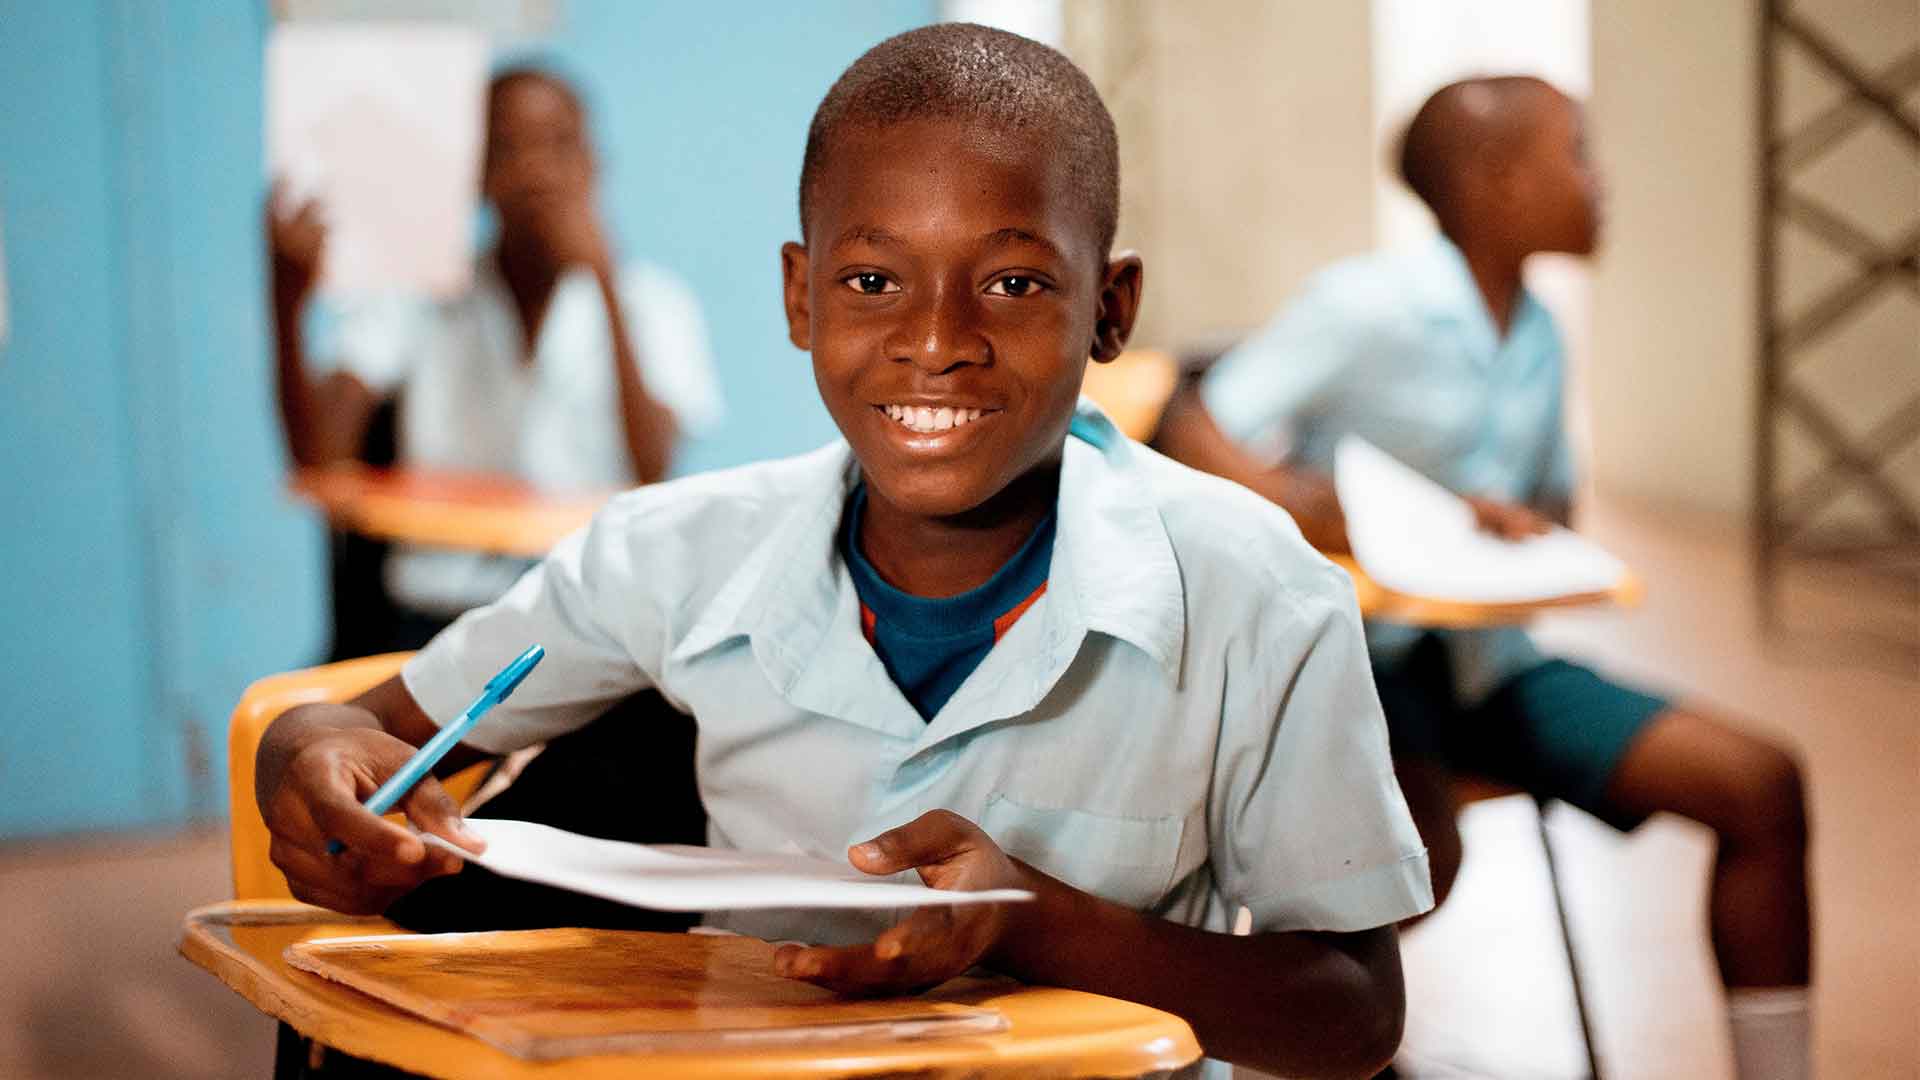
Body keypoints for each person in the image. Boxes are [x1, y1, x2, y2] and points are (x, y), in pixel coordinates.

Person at [254, 25, 1435, 1079]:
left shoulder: (1254, 594)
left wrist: (1033, 920)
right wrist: (315, 777)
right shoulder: (676, 551)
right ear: (800, 297)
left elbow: (1352, 1011)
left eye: (1015, 283)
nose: (935, 341)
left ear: (1111, 310)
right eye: (873, 280)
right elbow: (350, 729)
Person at [1154, 76, 1813, 1080]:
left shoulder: (1541, 334)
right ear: (1500, 186)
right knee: (1418, 860)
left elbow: (1551, 513)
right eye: (1579, 154)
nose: (1601, 181)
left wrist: (1522, 526)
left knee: (1761, 785)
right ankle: (1290, 1036)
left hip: (1490, 668)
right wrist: (1314, 503)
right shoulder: (1366, 306)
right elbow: (1189, 424)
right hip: (1367, 671)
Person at [268, 66, 723, 654]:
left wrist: (604, 281)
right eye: (509, 147)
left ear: (594, 164)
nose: (536, 169)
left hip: (589, 621)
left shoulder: (653, 304)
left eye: (559, 145)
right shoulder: (419, 297)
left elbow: (654, 465)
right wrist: (286, 301)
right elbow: (321, 459)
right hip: (434, 618)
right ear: (477, 176)